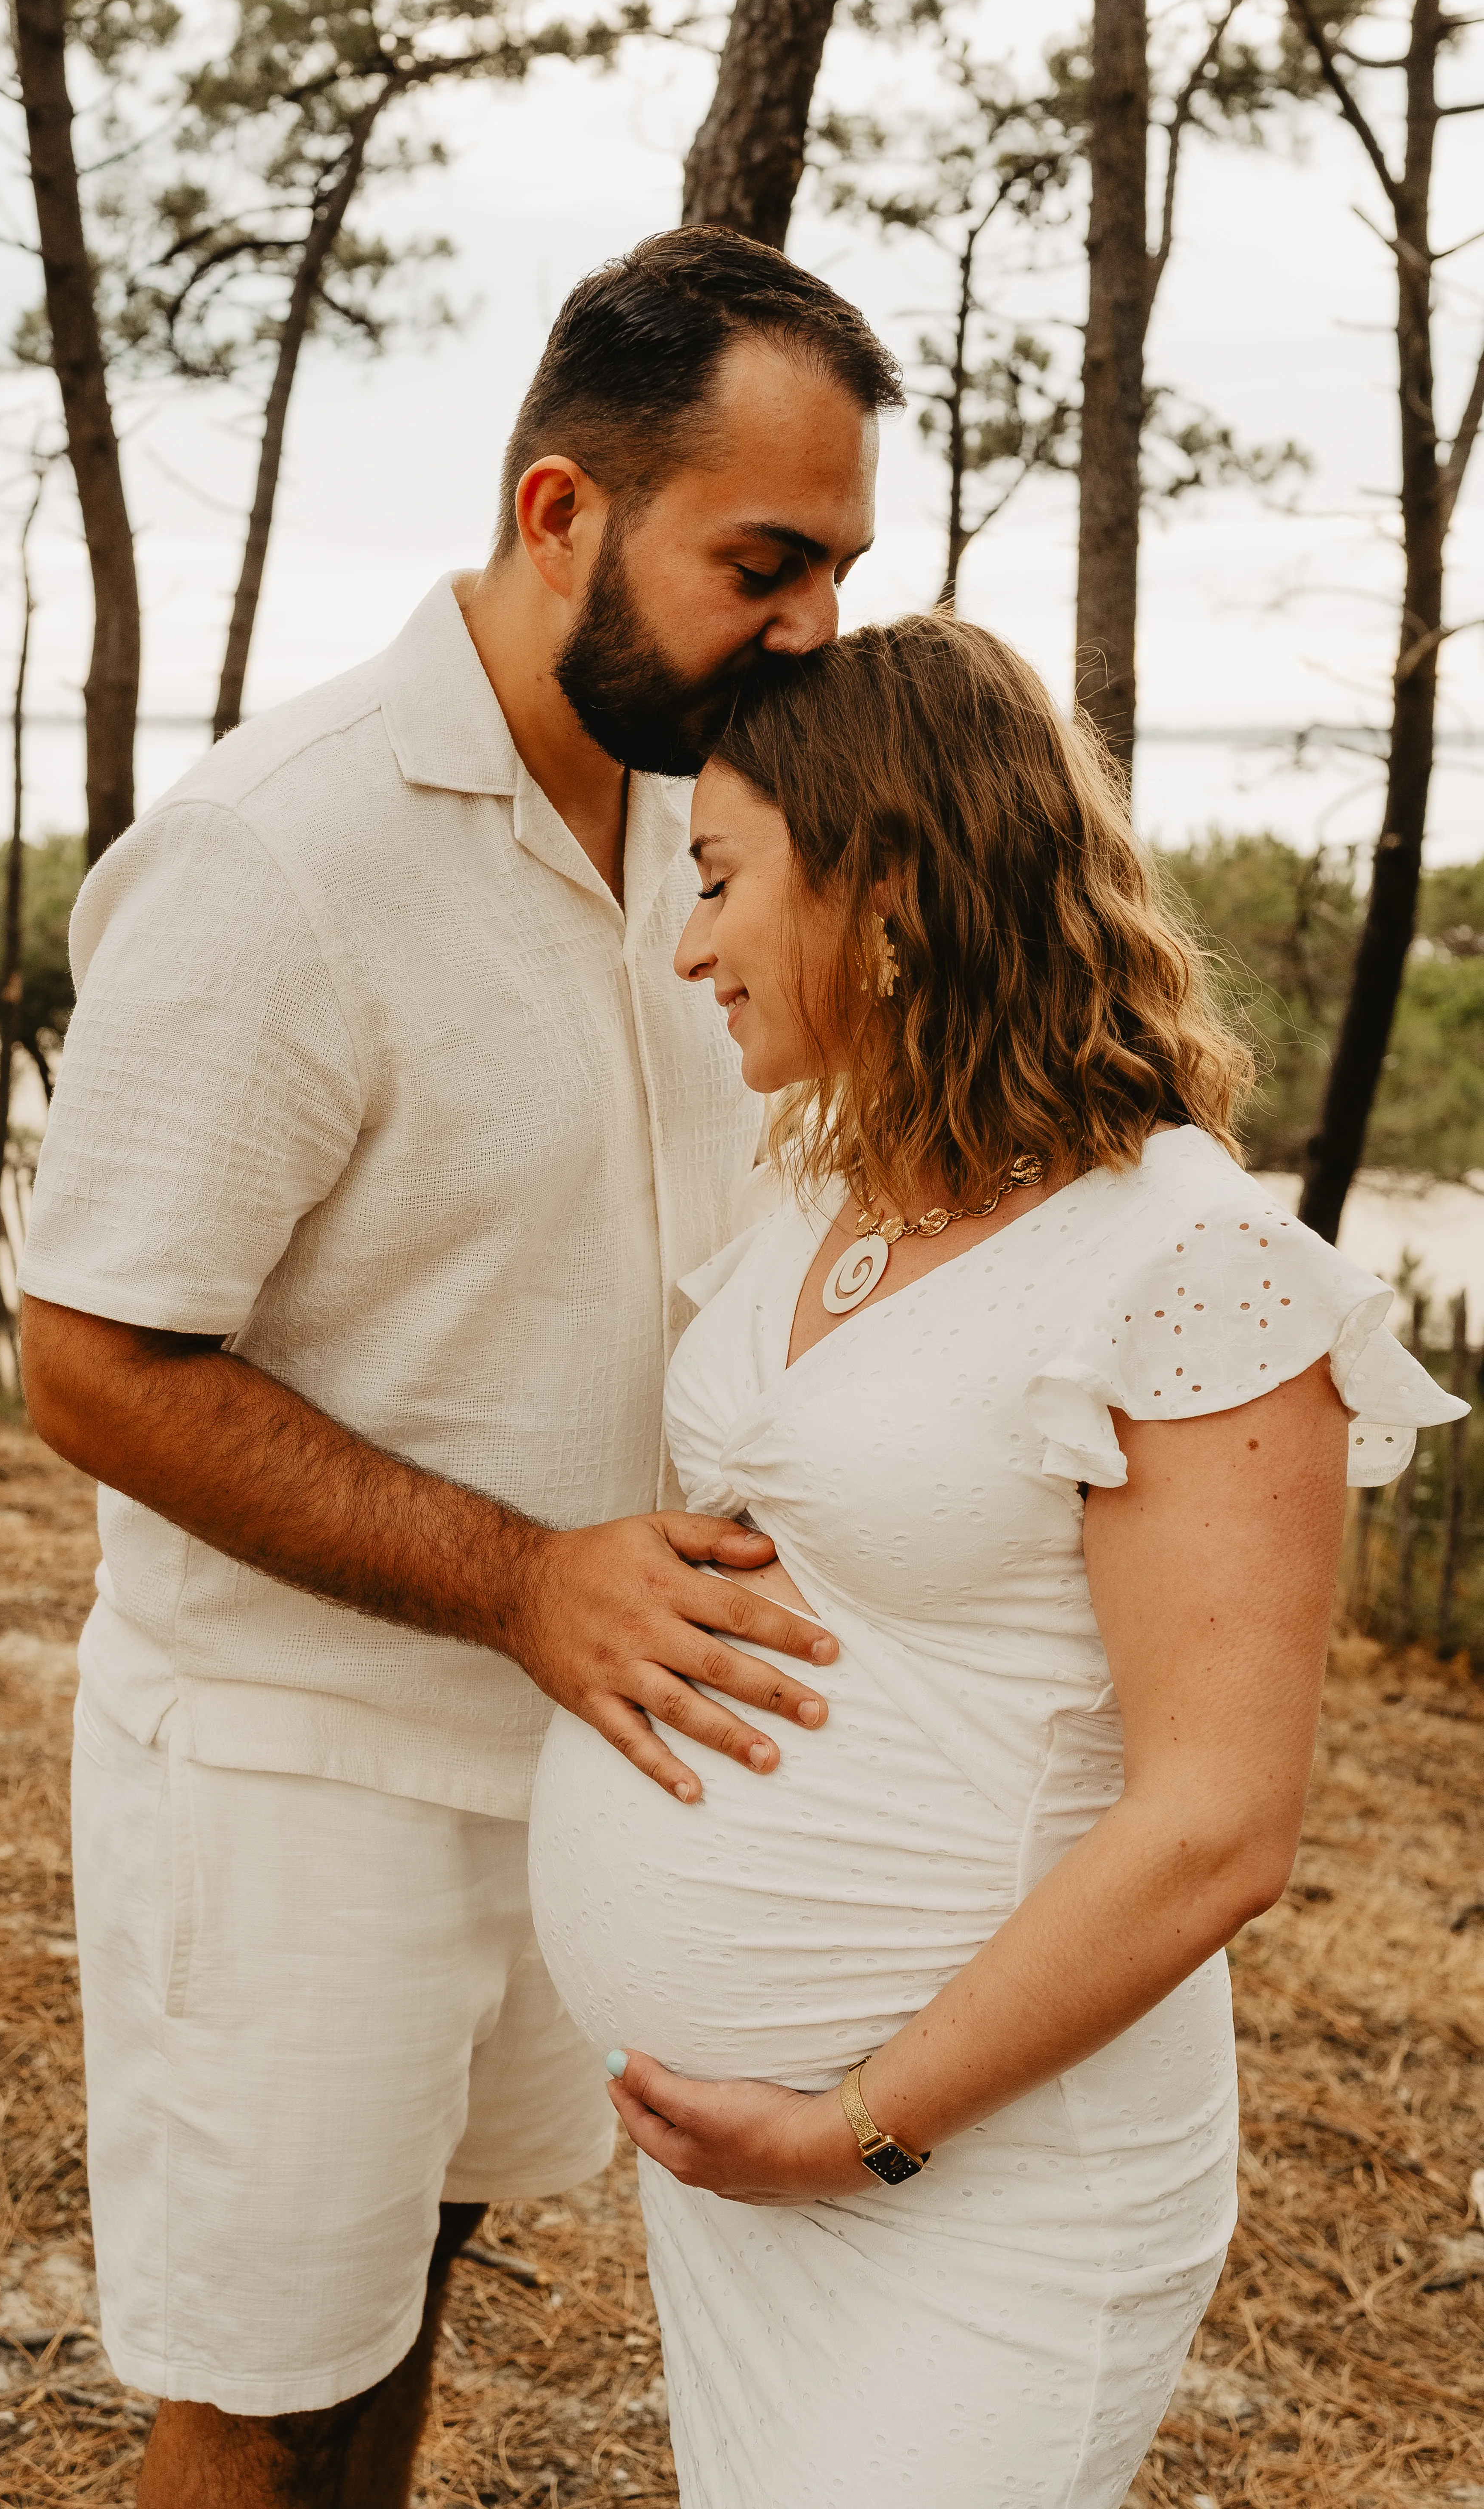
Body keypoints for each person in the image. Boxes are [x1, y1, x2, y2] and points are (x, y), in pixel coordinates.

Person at [14, 225, 903, 2508]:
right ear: (561, 514)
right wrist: (525, 1577)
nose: (812, 631)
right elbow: (97, 1362)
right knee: (267, 2383)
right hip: (301, 1780)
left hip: (576, 1757)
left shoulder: (688, 820)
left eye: (840, 569)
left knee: (406, 2301)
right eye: (767, 563)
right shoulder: (270, 859)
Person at [527, 612, 1468, 2509]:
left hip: (991, 2183)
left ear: (882, 875)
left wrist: (856, 2128)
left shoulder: (1187, 1262)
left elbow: (1220, 1825)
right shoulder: (830, 1178)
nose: (687, 942)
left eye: (719, 881)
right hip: (749, 2178)